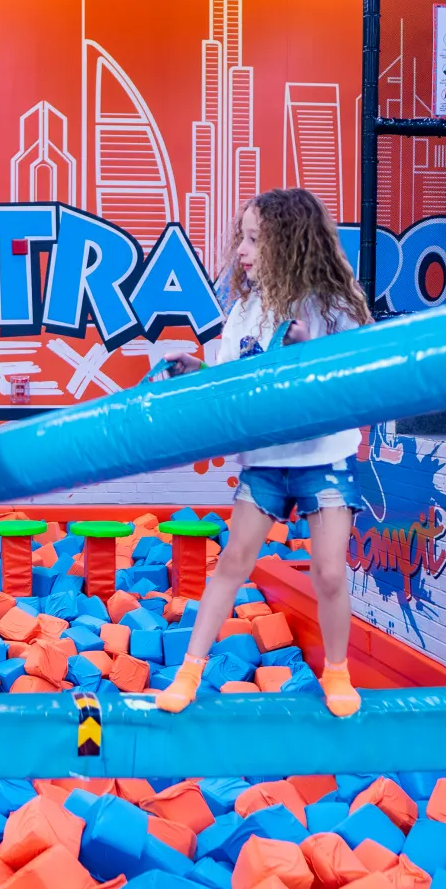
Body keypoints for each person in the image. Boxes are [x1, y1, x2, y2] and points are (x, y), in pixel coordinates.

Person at [154, 188, 370, 717]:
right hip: (268, 460)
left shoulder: (332, 306)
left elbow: (361, 371)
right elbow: (231, 381)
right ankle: (189, 671)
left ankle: (337, 673)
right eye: (242, 239)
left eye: (255, 240)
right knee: (232, 561)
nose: (242, 251)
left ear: (291, 243)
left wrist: (308, 354)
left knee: (330, 573)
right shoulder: (246, 311)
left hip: (325, 456)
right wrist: (198, 373)